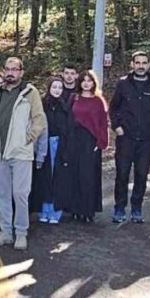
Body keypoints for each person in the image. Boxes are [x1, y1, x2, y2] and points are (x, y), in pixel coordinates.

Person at [0, 57, 45, 251]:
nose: (11, 72)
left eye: (14, 69)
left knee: (20, 194)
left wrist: (28, 139)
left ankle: (21, 232)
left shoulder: (30, 92)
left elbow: (39, 119)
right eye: (7, 69)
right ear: (3, 71)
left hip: (20, 152)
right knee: (2, 194)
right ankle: (5, 232)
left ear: (21, 72)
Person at [110, 51, 150, 224]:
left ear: (148, 65)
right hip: (126, 137)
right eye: (138, 62)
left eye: (144, 63)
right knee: (122, 174)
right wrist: (116, 126)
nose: (141, 66)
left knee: (141, 175)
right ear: (132, 64)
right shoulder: (123, 84)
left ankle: (136, 208)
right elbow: (113, 108)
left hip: (146, 139)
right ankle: (119, 208)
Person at [56, 70, 108, 222]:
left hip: (90, 141)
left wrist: (101, 142)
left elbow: (103, 123)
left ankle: (88, 210)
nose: (86, 83)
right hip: (74, 138)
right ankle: (74, 209)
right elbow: (67, 119)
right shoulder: (74, 98)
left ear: (93, 83)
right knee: (73, 174)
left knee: (88, 176)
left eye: (89, 80)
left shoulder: (98, 101)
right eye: (84, 80)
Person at [32, 77, 70, 224]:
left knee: (56, 177)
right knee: (43, 177)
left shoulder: (64, 106)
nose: (57, 90)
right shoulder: (42, 105)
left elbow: (67, 129)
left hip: (58, 144)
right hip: (43, 144)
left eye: (60, 88)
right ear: (49, 88)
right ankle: (43, 210)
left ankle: (55, 211)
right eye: (54, 87)